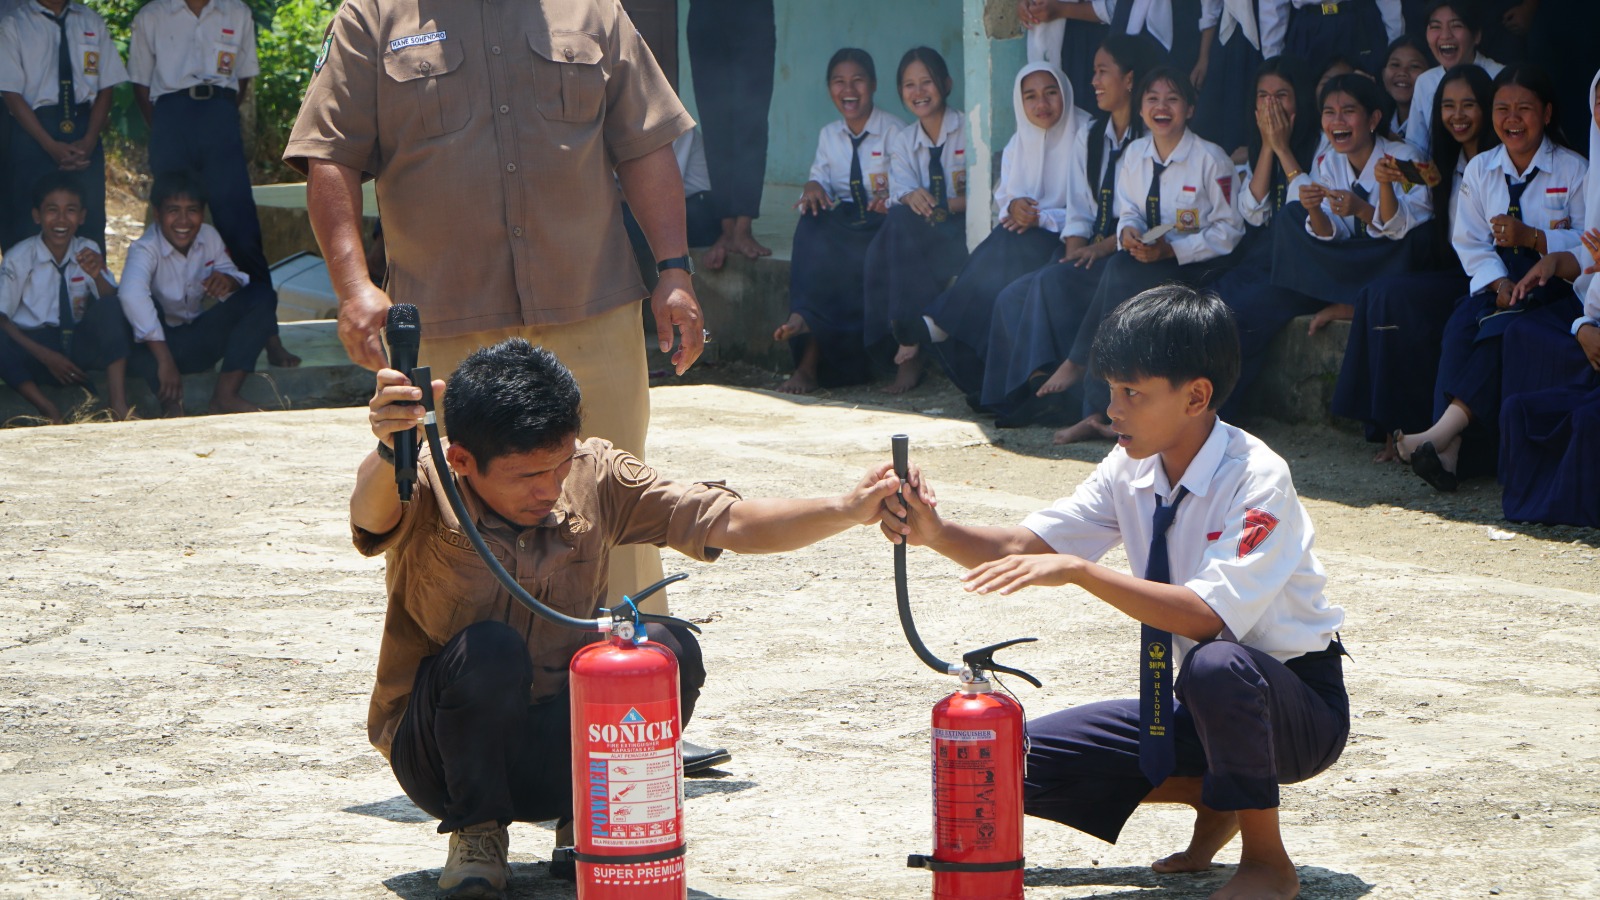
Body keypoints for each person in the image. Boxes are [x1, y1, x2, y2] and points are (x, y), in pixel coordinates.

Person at [356, 338, 906, 899]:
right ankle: (477, 834)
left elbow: (729, 521)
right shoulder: (422, 476)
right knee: (489, 651)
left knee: (665, 649)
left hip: (564, 755)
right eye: (527, 476)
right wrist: (387, 450)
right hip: (442, 759)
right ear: (463, 461)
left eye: (559, 465)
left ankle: (589, 820)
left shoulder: (595, 473)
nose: (550, 489)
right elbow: (369, 516)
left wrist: (846, 509)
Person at [882, 285, 1347, 900]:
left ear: (1196, 397)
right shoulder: (1130, 466)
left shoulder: (1257, 477)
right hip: (1203, 705)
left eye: (1133, 393)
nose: (1112, 409)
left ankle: (1268, 863)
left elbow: (1207, 619)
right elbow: (1023, 544)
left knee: (1215, 665)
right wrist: (934, 531)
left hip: (1294, 707)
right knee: (1008, 758)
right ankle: (1223, 796)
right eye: (1110, 390)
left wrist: (1081, 571)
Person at [286, 0, 706, 621]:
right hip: (446, 332)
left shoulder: (593, 10)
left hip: (591, 315)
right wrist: (354, 288)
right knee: (447, 523)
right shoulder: (373, 17)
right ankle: (463, 676)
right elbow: (330, 155)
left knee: (613, 509)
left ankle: (620, 672)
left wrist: (674, 269)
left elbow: (644, 144)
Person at [1396, 65, 1586, 491]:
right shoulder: (1482, 169)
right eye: (1502, 109)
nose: (1512, 119)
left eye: (1524, 109)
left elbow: (1589, 242)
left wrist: (1535, 238)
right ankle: (1447, 453)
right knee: (1460, 328)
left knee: (1506, 329)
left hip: (1555, 286)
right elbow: (1471, 242)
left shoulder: (1574, 170)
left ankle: (1441, 435)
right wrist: (1499, 284)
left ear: (1547, 113)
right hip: (1499, 280)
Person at [1052, 66, 1245, 444]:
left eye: (1173, 99)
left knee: (1120, 274)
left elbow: (1230, 231)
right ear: (1140, 109)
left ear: (1190, 109)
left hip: (1197, 265)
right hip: (1145, 260)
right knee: (1117, 270)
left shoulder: (1211, 159)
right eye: (1152, 99)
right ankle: (1098, 402)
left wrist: (1172, 249)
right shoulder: (1135, 154)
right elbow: (1129, 211)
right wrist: (1128, 232)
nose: (1162, 107)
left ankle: (1086, 382)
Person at [982, 35, 1156, 427]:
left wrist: (1098, 250)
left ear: (1129, 80)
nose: (1093, 81)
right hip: (1092, 247)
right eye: (1093, 72)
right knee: (1014, 295)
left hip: (1128, 251)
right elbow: (1079, 211)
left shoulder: (1148, 138)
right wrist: (1073, 253)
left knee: (1051, 284)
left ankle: (1053, 395)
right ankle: (1021, 390)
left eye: (1102, 72)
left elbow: (1148, 214)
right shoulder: (1090, 136)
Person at [1333, 64, 1500, 461]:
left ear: (1486, 108)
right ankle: (1391, 429)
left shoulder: (1501, 161)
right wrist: (1387, 183)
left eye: (1468, 105)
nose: (1457, 115)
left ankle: (1419, 431)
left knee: (1399, 300)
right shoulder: (1438, 164)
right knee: (1379, 294)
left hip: (1496, 276)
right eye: (1447, 106)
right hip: (1457, 272)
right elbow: (1399, 223)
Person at [127, 0, 299, 371]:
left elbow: (243, 78)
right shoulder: (152, 16)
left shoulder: (237, 13)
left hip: (219, 116)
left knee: (242, 231)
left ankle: (269, 336)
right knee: (171, 221)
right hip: (170, 117)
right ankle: (159, 337)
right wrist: (165, 128)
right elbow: (140, 83)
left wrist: (218, 116)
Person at [927, 62, 1087, 402]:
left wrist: (1041, 217)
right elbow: (1006, 198)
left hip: (1066, 238)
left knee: (1006, 247)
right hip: (1024, 237)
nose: (1041, 104)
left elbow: (1086, 209)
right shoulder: (1019, 141)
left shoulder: (1084, 134)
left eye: (1051, 93)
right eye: (1030, 96)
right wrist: (1015, 206)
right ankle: (983, 374)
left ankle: (942, 318)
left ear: (1065, 93)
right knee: (1004, 251)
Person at [1498, 68, 1600, 526]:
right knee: (1522, 334)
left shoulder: (1572, 167)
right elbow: (1591, 258)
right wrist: (1556, 262)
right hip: (1592, 310)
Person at [772, 48, 903, 395]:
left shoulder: (894, 131)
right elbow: (820, 180)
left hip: (881, 223)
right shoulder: (829, 134)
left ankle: (808, 353)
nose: (849, 90)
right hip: (847, 224)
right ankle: (802, 319)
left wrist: (890, 200)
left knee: (840, 264)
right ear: (830, 88)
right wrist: (812, 187)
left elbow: (907, 186)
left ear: (873, 85)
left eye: (857, 80)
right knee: (811, 223)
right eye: (838, 81)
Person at [1271, 74, 1434, 328]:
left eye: (1348, 111)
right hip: (1351, 257)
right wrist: (1314, 209)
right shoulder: (1329, 162)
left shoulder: (1405, 158)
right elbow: (1329, 232)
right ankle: (1339, 296)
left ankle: (1354, 302)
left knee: (1418, 239)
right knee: (1292, 215)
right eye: (1329, 112)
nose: (1337, 121)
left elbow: (1404, 225)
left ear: (1373, 119)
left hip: (1389, 257)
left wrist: (1363, 207)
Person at [1210, 56, 1323, 421]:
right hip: (1263, 260)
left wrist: (1283, 148)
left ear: (1299, 99)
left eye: (1282, 95)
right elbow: (1253, 212)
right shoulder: (1259, 146)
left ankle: (1219, 414)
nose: (1272, 105)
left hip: (1303, 267)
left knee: (1242, 313)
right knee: (1210, 303)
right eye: (1263, 96)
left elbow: (1306, 212)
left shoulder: (1323, 144)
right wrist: (1269, 146)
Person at [119, 171, 277, 417]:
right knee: (133, 316)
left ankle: (226, 396)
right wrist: (164, 360)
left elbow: (231, 274)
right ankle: (171, 405)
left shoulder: (208, 236)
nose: (183, 221)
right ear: (157, 214)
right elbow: (130, 295)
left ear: (203, 213)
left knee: (262, 295)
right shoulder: (144, 248)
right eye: (173, 211)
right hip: (156, 351)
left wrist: (228, 281)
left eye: (192, 210)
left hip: (195, 340)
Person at [862, 47, 968, 395]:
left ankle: (907, 347)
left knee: (884, 245)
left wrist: (941, 205)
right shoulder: (904, 140)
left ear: (946, 84)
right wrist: (909, 197)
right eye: (909, 85)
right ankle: (910, 336)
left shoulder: (969, 129)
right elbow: (903, 191)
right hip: (923, 234)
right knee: (897, 221)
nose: (918, 92)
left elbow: (988, 196)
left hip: (963, 232)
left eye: (927, 82)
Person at [0, 172, 127, 423]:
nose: (61, 219)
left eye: (70, 210)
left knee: (113, 308)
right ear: (37, 216)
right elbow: (2, 318)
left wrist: (97, 276)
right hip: (33, 346)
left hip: (74, 343)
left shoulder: (87, 250)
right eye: (52, 210)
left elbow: (111, 301)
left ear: (82, 217)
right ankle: (48, 409)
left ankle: (118, 404)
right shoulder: (19, 258)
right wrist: (46, 356)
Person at [0, 0, 126, 251]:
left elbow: (106, 87)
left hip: (84, 129)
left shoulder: (91, 21)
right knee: (28, 222)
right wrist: (48, 144)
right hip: (33, 131)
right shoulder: (14, 24)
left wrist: (90, 140)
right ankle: (28, 278)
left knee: (88, 222)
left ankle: (88, 276)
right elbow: (11, 93)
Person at [686, 0, 776, 269]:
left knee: (751, 121)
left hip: (751, 12)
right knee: (714, 122)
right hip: (705, 13)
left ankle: (743, 227)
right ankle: (726, 228)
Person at [1405, 0, 1505, 157]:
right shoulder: (1425, 82)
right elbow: (1416, 149)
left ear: (1476, 35)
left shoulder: (1501, 77)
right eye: (1435, 26)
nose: (1445, 35)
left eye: (1456, 25)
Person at [1192, 0, 1290, 158]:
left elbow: (1273, 10)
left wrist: (1272, 63)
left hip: (1264, 36)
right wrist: (1204, 57)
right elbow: (1211, 6)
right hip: (1228, 32)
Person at [1283, 0, 1402, 77]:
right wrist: (1273, 58)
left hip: (1356, 19)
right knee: (1304, 89)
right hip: (1309, 22)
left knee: (1362, 86)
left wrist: (1396, 47)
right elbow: (1274, 6)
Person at [1381, 34, 1433, 143]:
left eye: (1414, 66)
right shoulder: (1378, 121)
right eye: (1395, 65)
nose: (1402, 72)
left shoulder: (1436, 123)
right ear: (1383, 75)